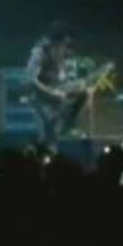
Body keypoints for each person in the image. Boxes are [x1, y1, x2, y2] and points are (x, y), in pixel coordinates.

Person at [26, 22, 87, 152]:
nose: (64, 47)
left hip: (58, 88)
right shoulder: (39, 53)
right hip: (42, 96)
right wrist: (52, 93)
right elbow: (32, 81)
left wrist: (72, 83)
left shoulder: (62, 51)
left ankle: (67, 124)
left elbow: (62, 73)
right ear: (54, 41)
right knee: (48, 136)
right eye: (63, 44)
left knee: (82, 91)